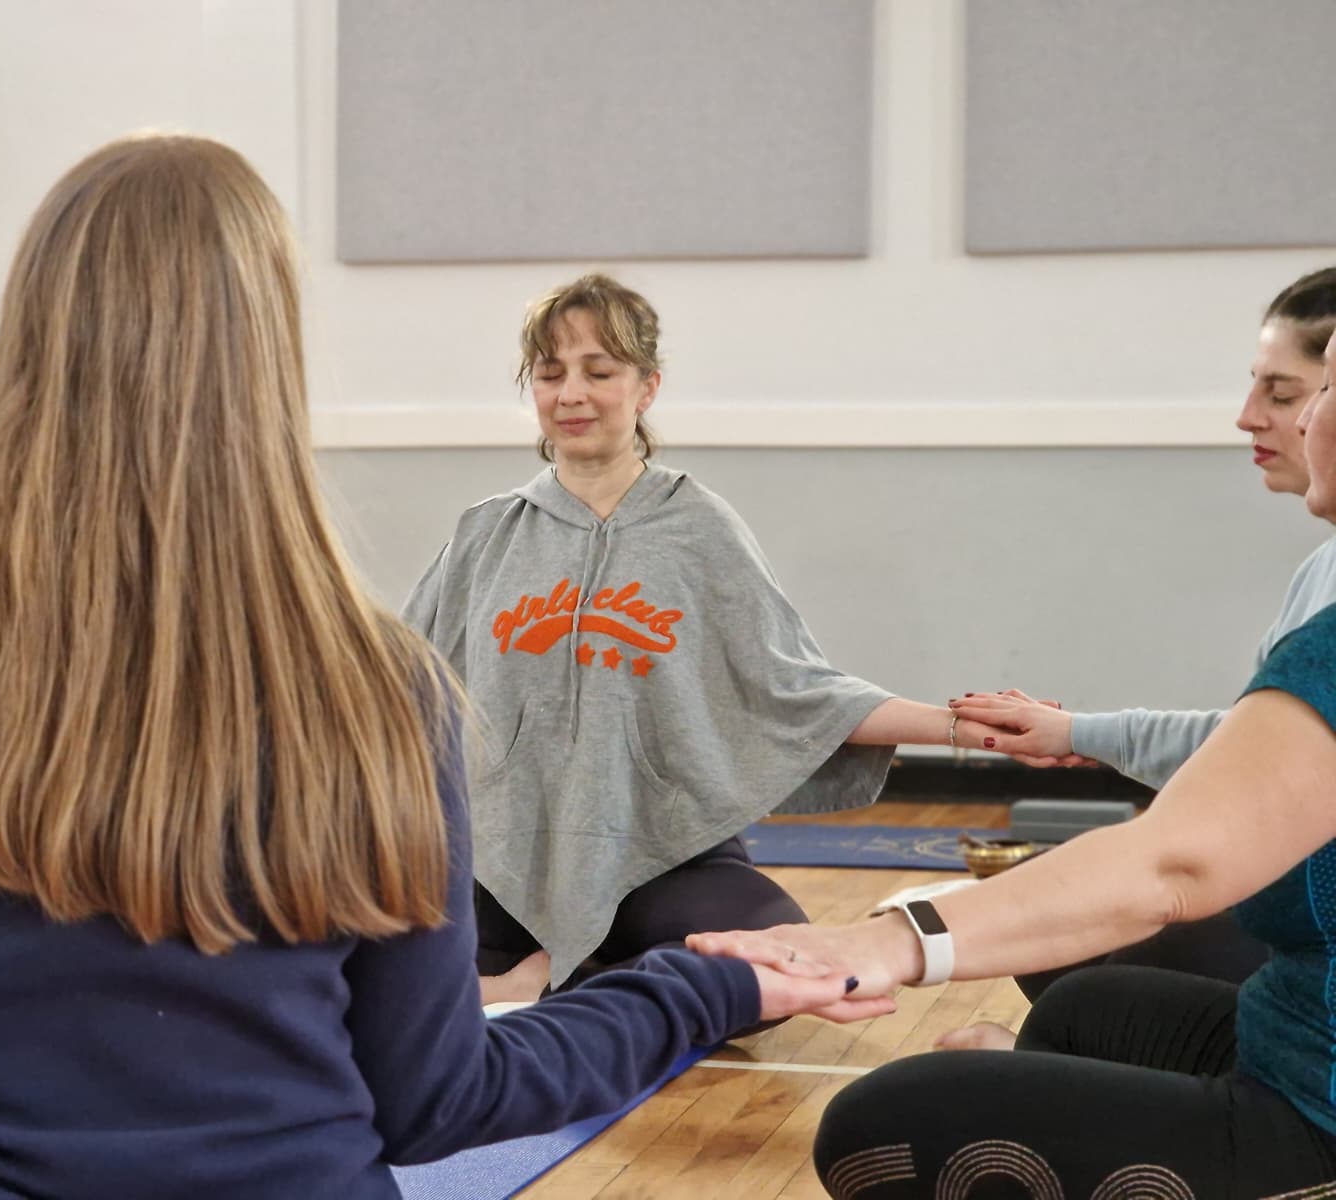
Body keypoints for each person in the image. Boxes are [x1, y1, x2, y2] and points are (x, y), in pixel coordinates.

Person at [0, 136, 858, 1200]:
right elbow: (436, 1098)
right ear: (267, 363)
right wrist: (698, 987)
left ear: (28, 346)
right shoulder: (379, 688)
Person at [687, 331, 1336, 1193]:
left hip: (1321, 1111)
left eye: (1322, 388)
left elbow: (1174, 864)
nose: (1300, 417)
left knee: (881, 1127)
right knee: (1085, 1008)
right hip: (1295, 1033)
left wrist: (885, 943)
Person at [403, 274, 1000, 1004]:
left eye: (599, 371)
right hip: (506, 857)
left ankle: (553, 982)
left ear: (646, 387)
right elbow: (395, 677)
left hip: (664, 852)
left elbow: (800, 692)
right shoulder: (487, 532)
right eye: (551, 374)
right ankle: (571, 978)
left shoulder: (700, 529)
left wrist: (961, 727)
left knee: (778, 967)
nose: (572, 394)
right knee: (381, 970)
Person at [943, 266, 1336, 1024]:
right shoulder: (1320, 567)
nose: (1248, 418)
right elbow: (1249, 754)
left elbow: (1237, 798)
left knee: (1079, 961)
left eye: (1286, 395)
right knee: (1064, 946)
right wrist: (1075, 733)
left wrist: (898, 944)